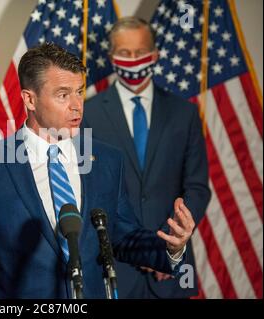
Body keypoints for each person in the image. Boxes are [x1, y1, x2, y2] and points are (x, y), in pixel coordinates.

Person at [0, 42, 196, 299]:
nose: (77, 105)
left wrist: (172, 247)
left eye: (79, 91)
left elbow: (123, 236)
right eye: (63, 95)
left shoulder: (107, 160)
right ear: (30, 100)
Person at [82, 17, 211, 298]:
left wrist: (164, 247)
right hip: (112, 269)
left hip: (172, 268)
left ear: (155, 54)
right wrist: (139, 249)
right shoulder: (86, 116)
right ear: (111, 57)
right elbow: (86, 192)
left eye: (140, 52)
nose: (133, 60)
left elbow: (197, 188)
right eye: (125, 54)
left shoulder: (184, 114)